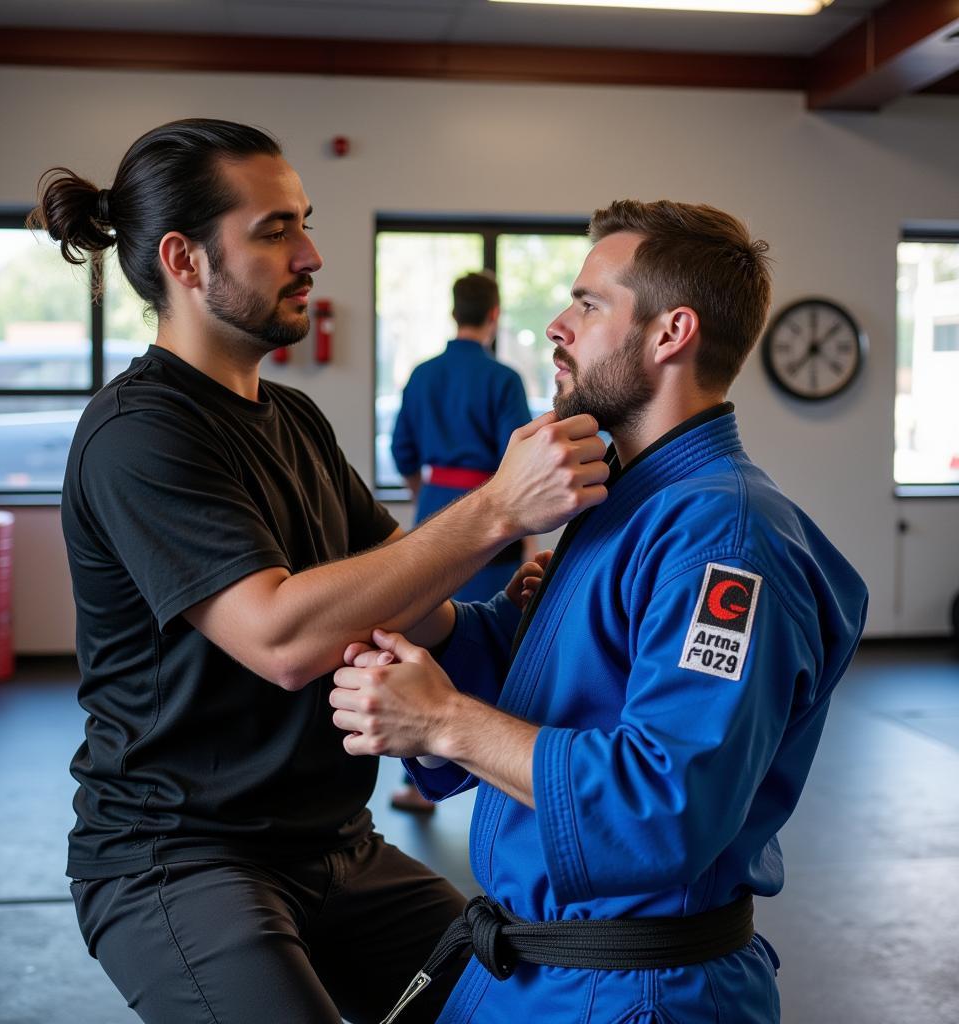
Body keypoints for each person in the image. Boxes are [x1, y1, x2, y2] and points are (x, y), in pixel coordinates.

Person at [31, 118, 610, 1024]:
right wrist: (497, 508)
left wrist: (509, 613)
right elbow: (284, 639)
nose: (311, 254)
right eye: (274, 231)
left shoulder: (293, 418)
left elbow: (402, 599)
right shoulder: (137, 434)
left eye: (304, 222)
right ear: (184, 260)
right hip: (179, 859)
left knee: (519, 1007)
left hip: (335, 845)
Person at [330, 199, 869, 1024]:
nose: (557, 324)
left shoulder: (724, 538)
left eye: (587, 303)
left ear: (669, 333)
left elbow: (666, 802)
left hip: (634, 992)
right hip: (539, 972)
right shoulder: (619, 502)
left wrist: (443, 722)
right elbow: (549, 679)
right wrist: (430, 639)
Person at [389, 270, 533, 813]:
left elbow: (404, 450)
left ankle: (417, 779)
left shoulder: (423, 375)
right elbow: (516, 462)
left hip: (433, 513)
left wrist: (429, 498)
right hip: (490, 518)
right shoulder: (503, 380)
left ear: (454, 311)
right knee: (499, 640)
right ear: (493, 315)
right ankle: (503, 767)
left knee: (429, 636)